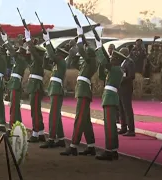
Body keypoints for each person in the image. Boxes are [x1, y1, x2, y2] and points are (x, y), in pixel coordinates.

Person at [60, 26, 100, 156]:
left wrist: (80, 35)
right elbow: (77, 56)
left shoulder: (91, 61)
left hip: (83, 92)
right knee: (85, 120)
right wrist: (81, 39)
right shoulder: (88, 61)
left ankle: (73, 146)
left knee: (79, 118)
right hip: (82, 91)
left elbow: (81, 50)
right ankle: (91, 145)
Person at [40, 31, 68, 149]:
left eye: (57, 53)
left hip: (57, 90)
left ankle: (51, 139)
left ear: (60, 55)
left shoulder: (61, 62)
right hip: (54, 89)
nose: (55, 55)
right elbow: (46, 64)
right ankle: (61, 139)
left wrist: (47, 40)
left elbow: (52, 55)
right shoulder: (58, 63)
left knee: (53, 115)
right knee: (57, 115)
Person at [96, 49, 124, 161]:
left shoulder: (117, 69)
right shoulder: (114, 69)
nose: (111, 59)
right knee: (110, 125)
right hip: (109, 98)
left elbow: (104, 62)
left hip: (110, 99)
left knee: (109, 126)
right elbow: (101, 75)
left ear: (117, 60)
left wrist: (99, 49)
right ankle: (113, 150)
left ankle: (109, 150)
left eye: (113, 58)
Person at [25, 33, 46, 143]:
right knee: (36, 111)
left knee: (35, 111)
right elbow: (28, 52)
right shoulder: (35, 61)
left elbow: (32, 50)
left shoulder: (38, 60)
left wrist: (28, 38)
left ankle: (35, 133)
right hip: (34, 87)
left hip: (36, 88)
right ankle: (41, 133)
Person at [5, 35, 28, 129]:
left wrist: (6, 42)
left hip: (16, 84)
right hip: (13, 84)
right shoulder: (18, 61)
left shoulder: (21, 60)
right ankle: (17, 123)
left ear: (21, 54)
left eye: (19, 53)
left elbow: (13, 53)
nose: (17, 54)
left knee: (14, 106)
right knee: (14, 105)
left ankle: (12, 124)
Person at [117, 48, 136, 136]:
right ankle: (123, 127)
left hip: (126, 88)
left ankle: (131, 130)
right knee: (121, 109)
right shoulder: (122, 62)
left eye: (121, 53)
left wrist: (122, 79)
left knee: (127, 109)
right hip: (120, 88)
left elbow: (132, 76)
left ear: (125, 53)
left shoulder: (130, 62)